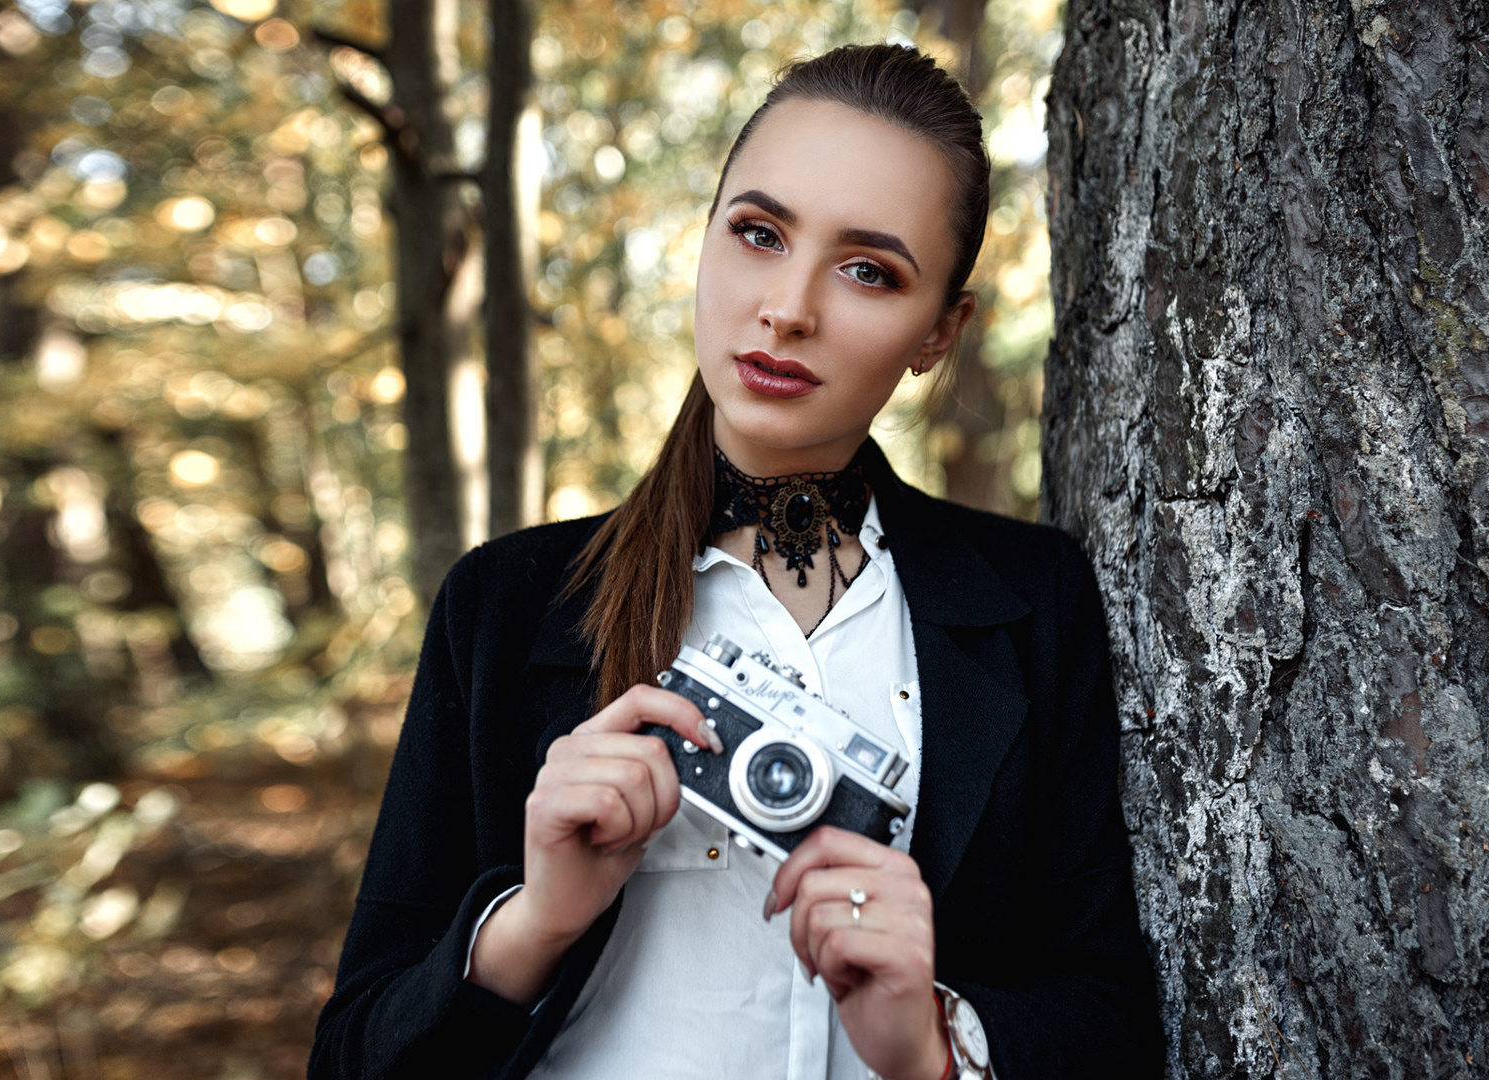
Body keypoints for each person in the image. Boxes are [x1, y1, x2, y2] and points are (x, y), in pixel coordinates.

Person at [309, 43, 1162, 1080]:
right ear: (706, 241)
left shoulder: (1031, 599)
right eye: (759, 234)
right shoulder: (505, 603)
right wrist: (534, 921)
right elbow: (354, 1056)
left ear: (940, 330)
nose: (789, 307)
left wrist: (939, 1044)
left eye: (868, 271)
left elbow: (1111, 1017)